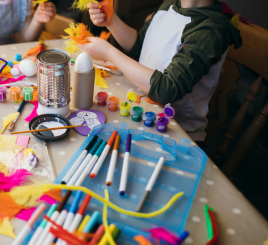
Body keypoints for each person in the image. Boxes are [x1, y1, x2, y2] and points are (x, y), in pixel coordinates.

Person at [80, 0, 242, 141]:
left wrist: (109, 53)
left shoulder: (209, 30)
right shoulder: (169, 5)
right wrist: (111, 20)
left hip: (174, 131)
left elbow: (166, 90)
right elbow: (140, 46)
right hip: (142, 108)